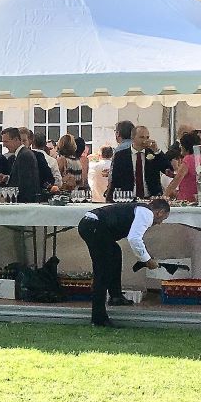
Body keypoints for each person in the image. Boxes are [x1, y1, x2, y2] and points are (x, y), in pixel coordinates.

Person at [78, 197, 172, 326]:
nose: (160, 222)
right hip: (94, 225)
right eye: (163, 218)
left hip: (91, 223)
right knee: (102, 272)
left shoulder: (141, 209)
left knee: (115, 253)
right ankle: (98, 318)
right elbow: (134, 238)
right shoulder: (147, 214)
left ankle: (115, 296)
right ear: (160, 212)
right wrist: (147, 260)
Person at [106, 120, 136, 199]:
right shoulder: (136, 146)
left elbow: (114, 175)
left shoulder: (119, 150)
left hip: (123, 190)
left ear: (118, 133)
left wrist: (109, 192)